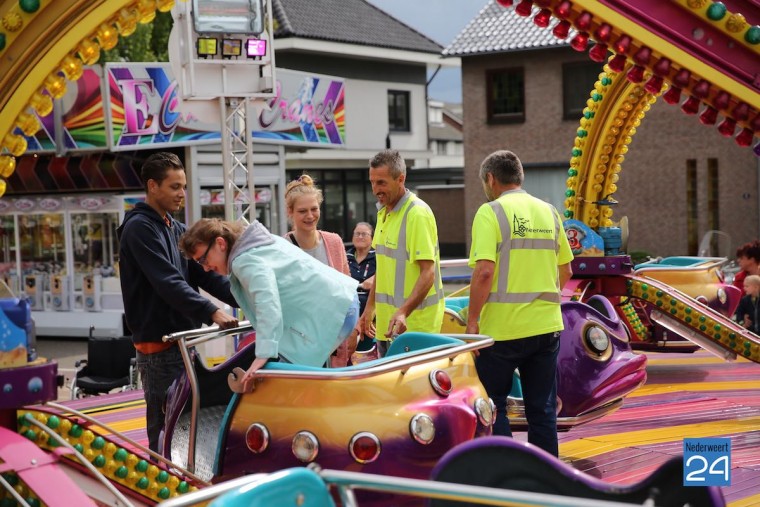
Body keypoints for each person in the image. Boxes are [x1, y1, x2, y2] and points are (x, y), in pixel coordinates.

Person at [117, 151, 239, 453]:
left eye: (183, 186)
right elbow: (166, 281)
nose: (182, 194)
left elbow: (208, 275)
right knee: (164, 429)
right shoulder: (139, 229)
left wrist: (247, 299)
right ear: (152, 186)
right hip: (159, 350)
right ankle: (163, 488)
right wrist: (211, 311)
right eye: (174, 187)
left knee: (187, 424)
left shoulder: (176, 229)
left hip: (183, 344)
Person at [465, 150, 573, 457]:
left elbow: (485, 271)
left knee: (494, 403)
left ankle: (508, 474)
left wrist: (473, 321)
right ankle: (546, 478)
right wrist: (545, 299)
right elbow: (566, 269)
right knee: (542, 409)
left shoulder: (491, 212)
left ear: (490, 179)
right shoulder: (549, 211)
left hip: (503, 330)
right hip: (547, 327)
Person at [179, 218, 360, 391]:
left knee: (286, 386)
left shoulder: (244, 260)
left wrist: (263, 354)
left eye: (203, 259)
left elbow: (267, 303)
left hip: (335, 311)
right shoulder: (257, 244)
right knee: (294, 381)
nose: (205, 267)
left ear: (220, 243)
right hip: (340, 304)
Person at [360, 149, 444, 357]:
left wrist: (403, 312)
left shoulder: (417, 214)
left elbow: (428, 273)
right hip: (388, 327)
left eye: (381, 183)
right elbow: (385, 266)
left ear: (401, 179)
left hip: (415, 328)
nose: (375, 190)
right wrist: (369, 309)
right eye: (372, 182)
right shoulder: (384, 212)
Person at [283, 174, 358, 366]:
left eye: (314, 209)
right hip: (299, 343)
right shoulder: (283, 248)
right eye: (302, 211)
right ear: (290, 212)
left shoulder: (333, 241)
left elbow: (348, 288)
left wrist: (353, 330)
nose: (310, 216)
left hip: (335, 341)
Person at [346, 222, 376, 350]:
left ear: (372, 238)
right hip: (348, 306)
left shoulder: (378, 257)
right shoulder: (344, 256)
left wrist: (376, 279)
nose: (360, 237)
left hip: (371, 309)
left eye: (364, 234)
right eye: (357, 234)